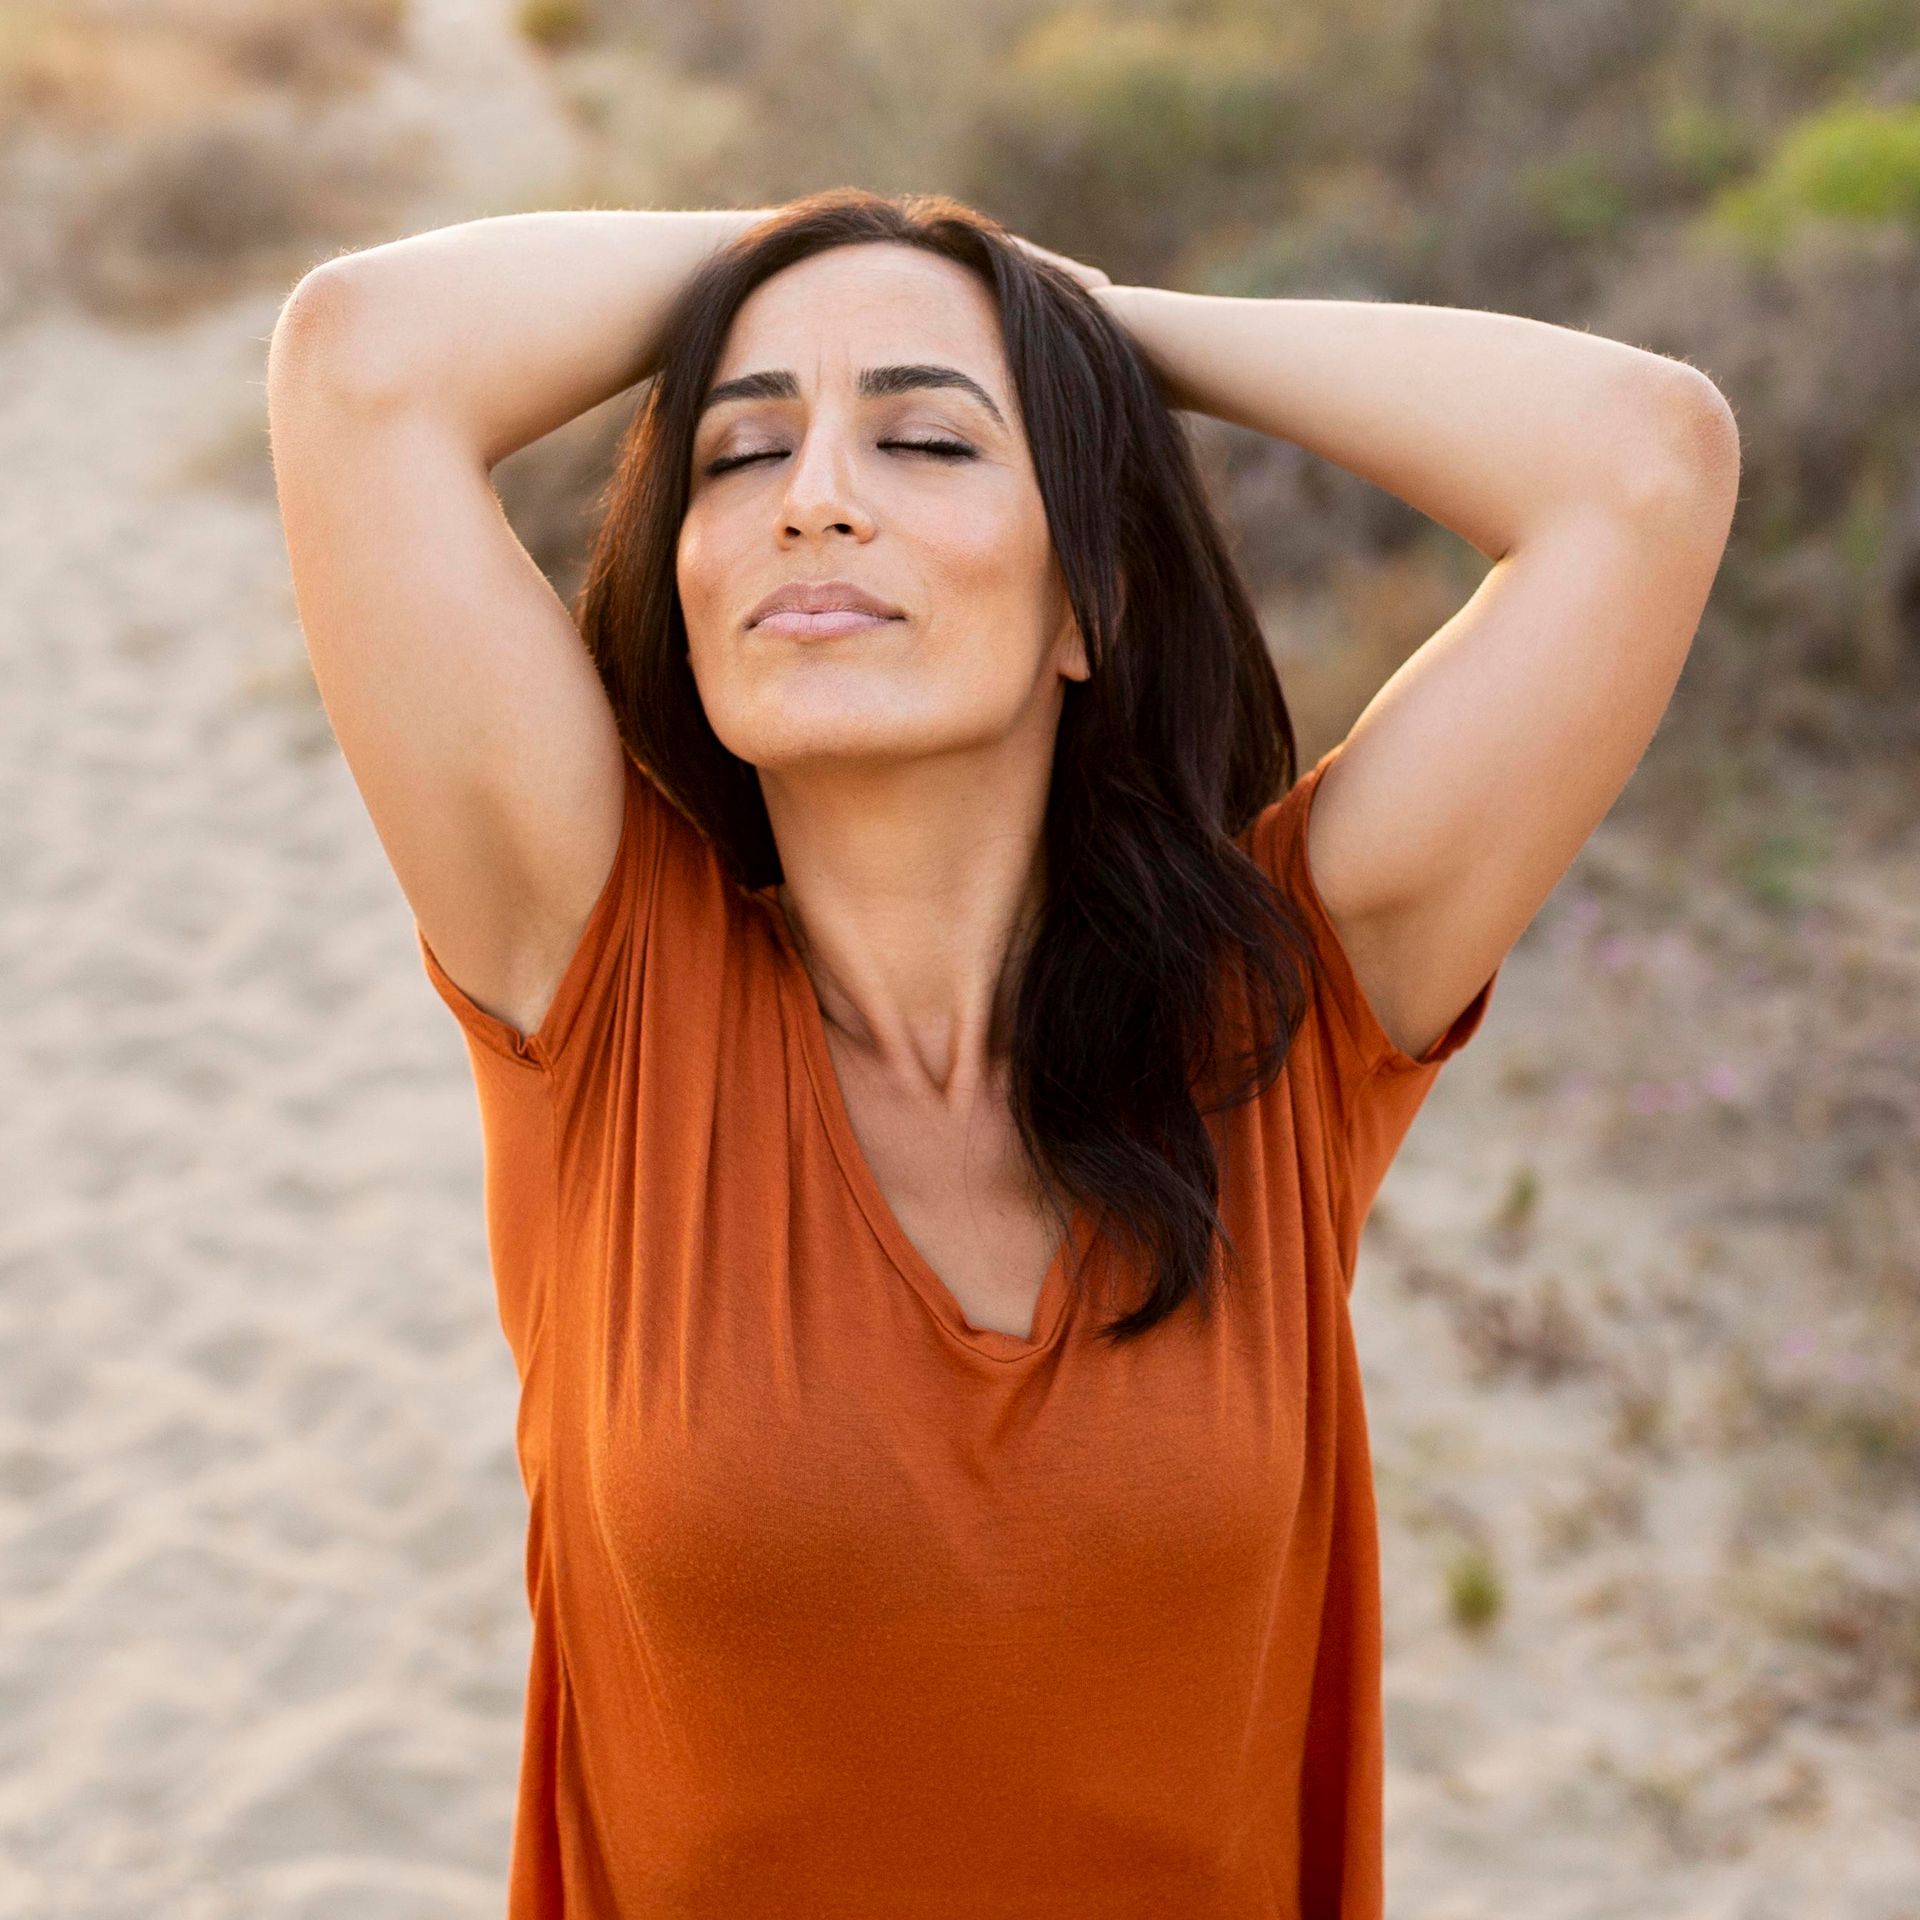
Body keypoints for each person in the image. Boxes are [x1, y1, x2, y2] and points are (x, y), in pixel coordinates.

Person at [265, 188, 1740, 1917]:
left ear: (1085, 605)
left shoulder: (1276, 1023)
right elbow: (358, 360)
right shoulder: (604, 994)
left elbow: (1644, 463)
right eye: (740, 456)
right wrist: (846, 242)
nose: (815, 496)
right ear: (686, 587)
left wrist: (1085, 312)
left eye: (925, 439)